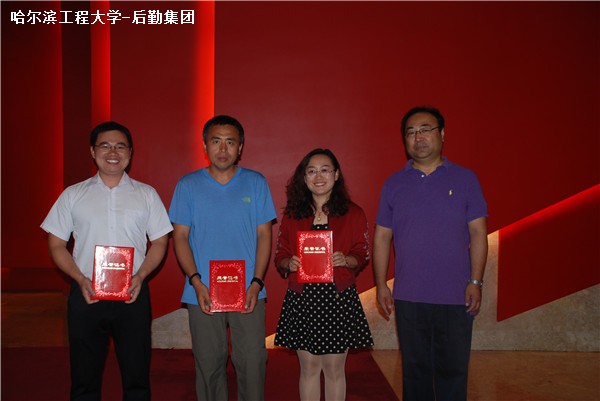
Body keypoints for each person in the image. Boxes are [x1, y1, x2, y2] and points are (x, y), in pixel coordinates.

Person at [41, 121, 173, 401]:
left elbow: (160, 241)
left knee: (137, 375)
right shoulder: (73, 194)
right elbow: (56, 244)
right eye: (105, 145)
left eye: (120, 146)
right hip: (86, 293)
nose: (113, 152)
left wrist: (141, 276)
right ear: (93, 151)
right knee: (84, 376)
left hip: (133, 293)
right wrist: (79, 279)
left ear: (130, 153)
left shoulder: (146, 194)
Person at [373, 106, 488, 401]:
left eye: (425, 129)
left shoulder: (465, 179)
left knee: (453, 373)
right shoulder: (394, 184)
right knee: (415, 373)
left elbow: (478, 233)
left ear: (442, 134)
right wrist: (381, 284)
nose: (418, 137)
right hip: (409, 295)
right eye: (410, 132)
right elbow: (382, 236)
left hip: (456, 295)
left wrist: (476, 281)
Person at [169, 115, 276, 401]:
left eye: (230, 142)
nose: (223, 149)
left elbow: (264, 235)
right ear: (205, 145)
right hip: (202, 290)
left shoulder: (256, 182)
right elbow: (180, 237)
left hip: (249, 290)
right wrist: (195, 281)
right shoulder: (188, 184)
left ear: (240, 146)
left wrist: (256, 282)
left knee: (252, 362)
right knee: (208, 363)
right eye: (216, 141)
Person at [274, 148, 374, 401]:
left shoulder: (353, 213)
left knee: (334, 369)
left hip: (337, 298)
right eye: (311, 171)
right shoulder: (293, 214)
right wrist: (288, 263)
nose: (318, 176)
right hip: (302, 298)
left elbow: (362, 253)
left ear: (336, 174)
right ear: (304, 177)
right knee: (308, 368)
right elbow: (280, 254)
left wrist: (346, 260)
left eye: (325, 170)